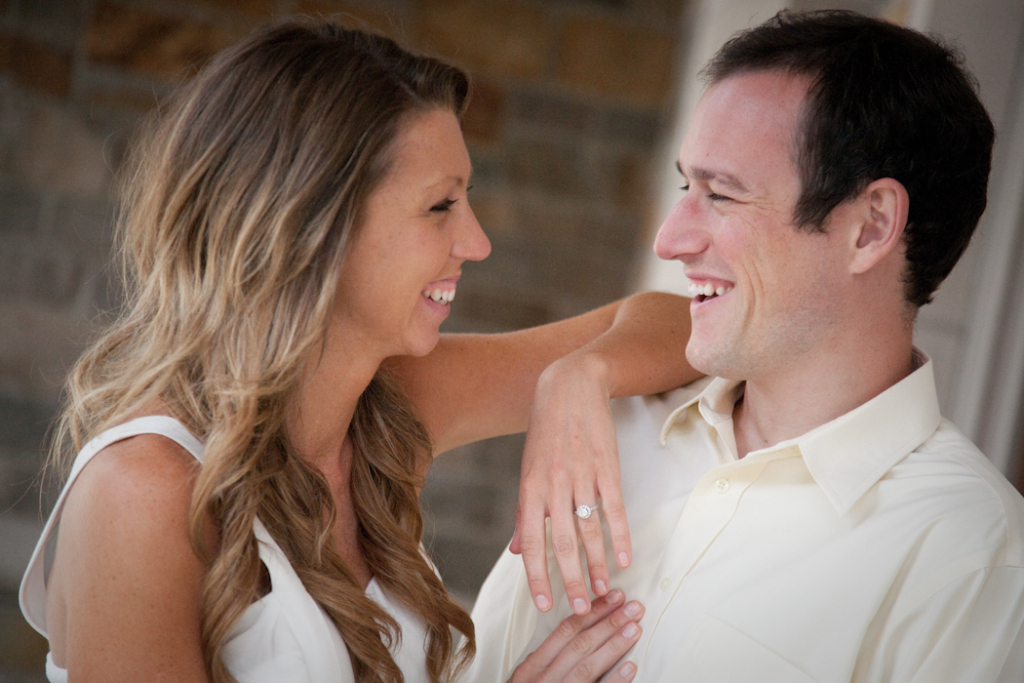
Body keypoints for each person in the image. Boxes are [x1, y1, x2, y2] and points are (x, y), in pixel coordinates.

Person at [18, 19, 703, 683]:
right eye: (441, 206)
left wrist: (579, 377)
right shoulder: (144, 490)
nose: (475, 241)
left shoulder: (388, 403)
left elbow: (685, 325)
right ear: (313, 225)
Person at [471, 10, 1024, 682]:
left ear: (871, 226)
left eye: (722, 194)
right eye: (686, 186)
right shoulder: (611, 427)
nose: (670, 239)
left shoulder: (975, 555)